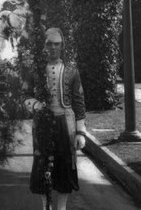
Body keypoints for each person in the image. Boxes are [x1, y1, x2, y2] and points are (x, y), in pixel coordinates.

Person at [23, 28, 86, 210]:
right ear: (44, 46)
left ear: (62, 46)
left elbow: (79, 101)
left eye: (56, 44)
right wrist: (34, 104)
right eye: (49, 44)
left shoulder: (72, 71)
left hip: (66, 124)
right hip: (43, 124)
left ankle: (62, 207)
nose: (52, 47)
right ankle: (46, 206)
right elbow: (24, 94)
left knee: (65, 165)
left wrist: (80, 132)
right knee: (42, 164)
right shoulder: (35, 70)